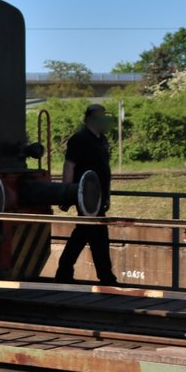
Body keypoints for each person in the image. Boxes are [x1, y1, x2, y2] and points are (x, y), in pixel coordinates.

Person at [54, 103, 117, 285]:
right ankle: (106, 277)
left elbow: (104, 170)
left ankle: (64, 272)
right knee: (97, 235)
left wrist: (107, 195)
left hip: (98, 196)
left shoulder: (102, 140)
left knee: (83, 234)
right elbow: (69, 165)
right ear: (89, 119)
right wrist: (66, 193)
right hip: (85, 195)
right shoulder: (79, 139)